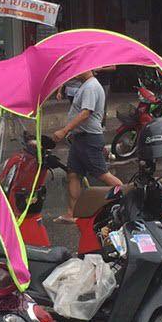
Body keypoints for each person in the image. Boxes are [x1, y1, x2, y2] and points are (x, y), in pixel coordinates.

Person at [51, 69, 122, 221]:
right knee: (73, 175)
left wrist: (65, 130)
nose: (75, 70)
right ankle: (72, 214)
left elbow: (85, 113)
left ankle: (127, 198)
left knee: (102, 174)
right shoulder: (85, 85)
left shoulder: (90, 87)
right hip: (80, 138)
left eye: (79, 67)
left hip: (89, 138)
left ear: (90, 68)